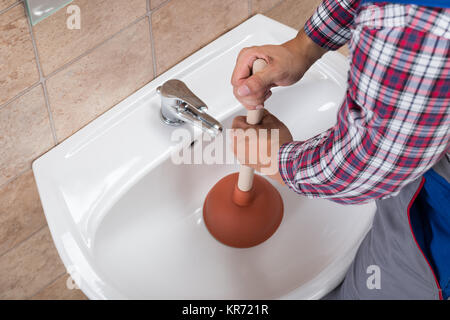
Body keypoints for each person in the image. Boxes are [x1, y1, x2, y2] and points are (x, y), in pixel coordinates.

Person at [230, 0, 449, 299]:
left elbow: (372, 163)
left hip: (436, 237)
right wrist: (303, 46)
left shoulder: (422, 24)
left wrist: (276, 160)